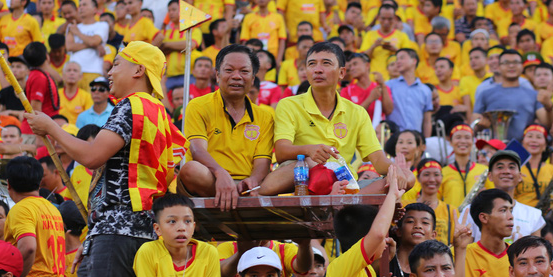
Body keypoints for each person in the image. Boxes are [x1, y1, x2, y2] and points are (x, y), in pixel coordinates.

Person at [24, 41, 180, 277]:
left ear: (138, 70)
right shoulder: (161, 114)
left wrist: (53, 128)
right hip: (126, 228)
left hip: (119, 229)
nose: (109, 71)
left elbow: (94, 156)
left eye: (117, 64)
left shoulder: (131, 106)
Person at [260, 42, 415, 196]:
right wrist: (309, 150)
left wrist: (395, 170)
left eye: (326, 63)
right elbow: (281, 152)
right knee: (311, 163)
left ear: (341, 73)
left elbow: (378, 160)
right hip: (305, 179)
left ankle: (349, 199)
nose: (318, 70)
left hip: (345, 182)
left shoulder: (357, 112)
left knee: (408, 178)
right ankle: (350, 203)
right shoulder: (289, 104)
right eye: (311, 64)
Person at [177, 45, 273, 210]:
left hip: (246, 185)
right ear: (217, 75)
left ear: (253, 77)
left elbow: (263, 162)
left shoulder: (265, 116)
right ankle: (231, 195)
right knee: (190, 169)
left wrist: (252, 181)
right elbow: (197, 150)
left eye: (244, 71)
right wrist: (220, 173)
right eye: (229, 70)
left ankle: (238, 194)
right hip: (211, 180)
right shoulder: (198, 106)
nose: (236, 77)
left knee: (287, 173)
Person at [3, 157, 70, 277]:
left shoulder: (21, 209)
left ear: (8, 184)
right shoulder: (52, 208)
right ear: (40, 182)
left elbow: (28, 247)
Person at [455, 189, 521, 277]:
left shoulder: (522, 257)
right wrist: (459, 250)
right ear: (484, 218)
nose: (511, 217)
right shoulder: (459, 253)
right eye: (503, 210)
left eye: (511, 210)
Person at [461, 150, 546, 243]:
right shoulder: (471, 211)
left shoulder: (532, 215)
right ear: (490, 176)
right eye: (500, 167)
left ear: (520, 176)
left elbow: (537, 251)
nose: (506, 171)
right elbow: (464, 250)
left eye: (512, 167)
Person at [472, 49, 553, 142]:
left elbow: (548, 125)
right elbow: (474, 124)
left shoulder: (533, 94)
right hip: (494, 149)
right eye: (506, 62)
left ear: (522, 67)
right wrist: (480, 124)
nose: (511, 66)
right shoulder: (485, 93)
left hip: (524, 149)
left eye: (515, 62)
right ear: (498, 67)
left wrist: (549, 106)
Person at [514, 124, 553, 217]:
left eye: (539, 137)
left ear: (545, 145)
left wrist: (549, 221)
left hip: (546, 221)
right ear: (522, 143)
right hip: (518, 220)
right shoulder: (513, 169)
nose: (534, 140)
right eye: (530, 136)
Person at [385, 49, 433, 138]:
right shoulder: (388, 85)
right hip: (393, 138)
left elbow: (427, 121)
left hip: (415, 139)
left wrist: (426, 141)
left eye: (402, 58)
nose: (398, 62)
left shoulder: (425, 90)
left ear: (414, 61)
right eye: (397, 59)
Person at [440, 124, 489, 208]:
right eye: (458, 137)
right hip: (451, 220)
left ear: (473, 142)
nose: (463, 141)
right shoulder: (442, 172)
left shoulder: (484, 170)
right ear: (451, 142)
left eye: (467, 137)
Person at [66, 0, 110, 91]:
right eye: (80, 5)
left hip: (94, 71)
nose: (81, 8)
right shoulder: (72, 27)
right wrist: (93, 44)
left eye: (84, 5)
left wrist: (78, 33)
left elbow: (94, 41)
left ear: (95, 9)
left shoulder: (102, 25)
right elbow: (69, 47)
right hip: (74, 72)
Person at [22, 42, 61, 136]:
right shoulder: (38, 77)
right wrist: (40, 137)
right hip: (36, 134)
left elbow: (60, 80)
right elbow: (36, 112)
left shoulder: (40, 74)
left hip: (43, 130)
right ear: (47, 56)